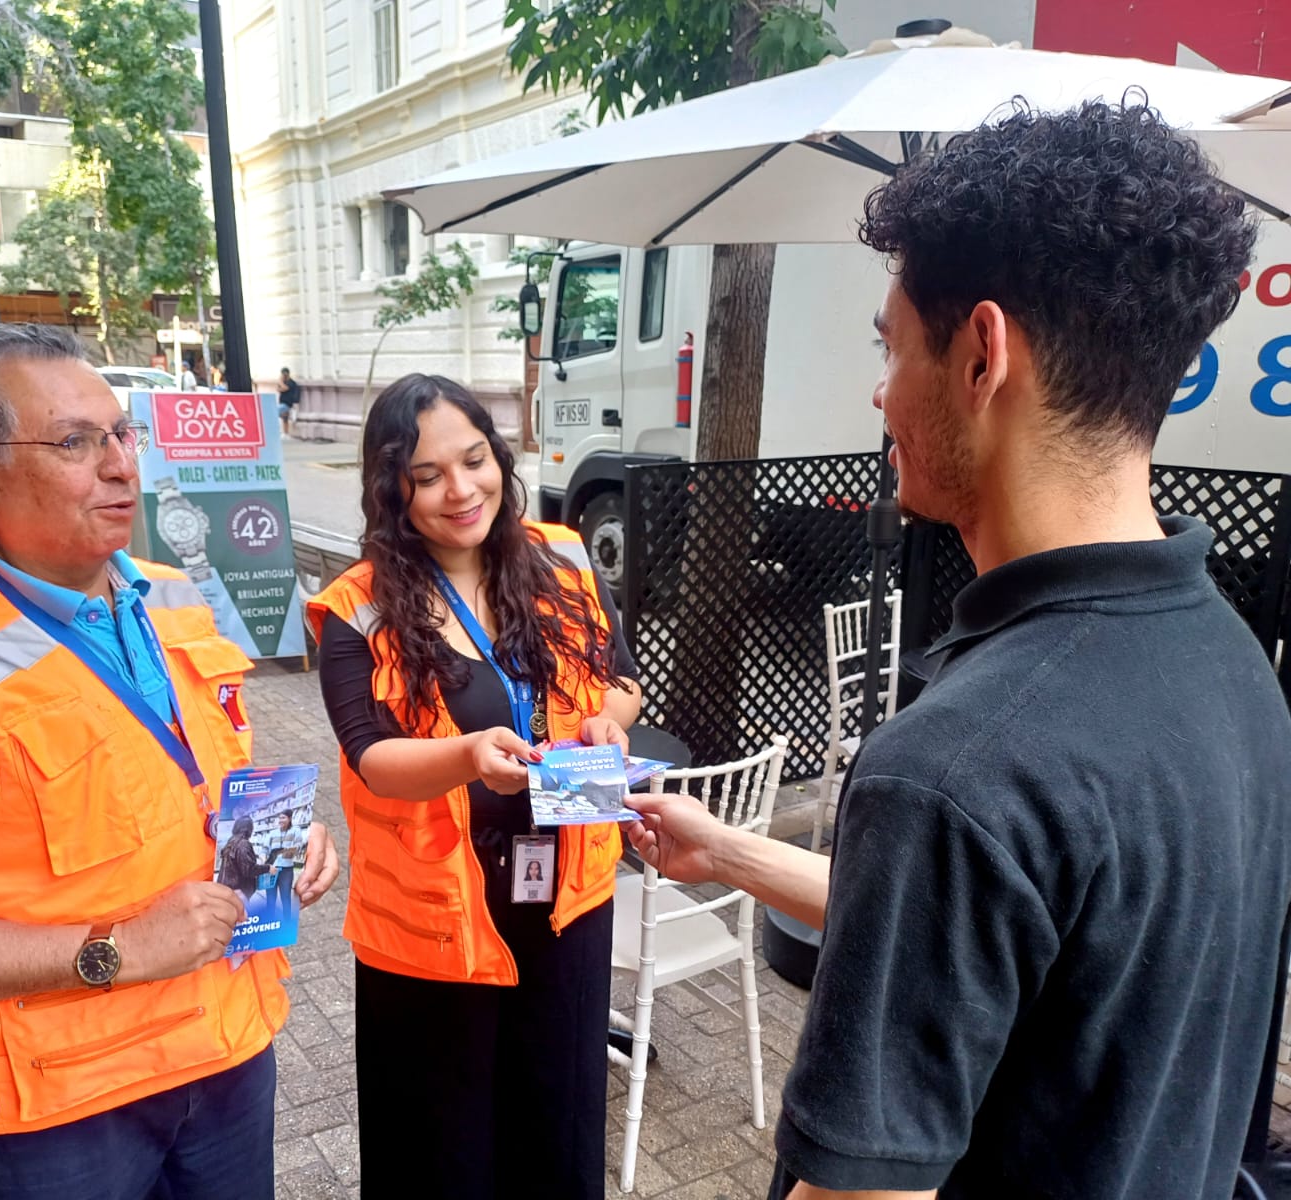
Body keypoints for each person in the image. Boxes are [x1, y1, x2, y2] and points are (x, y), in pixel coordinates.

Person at [625, 100, 1291, 1200]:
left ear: (982, 355)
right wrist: (729, 853)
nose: (879, 392)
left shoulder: (956, 768)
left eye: (890, 347)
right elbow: (1010, 934)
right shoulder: (1230, 665)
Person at [0, 322, 341, 1200]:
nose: (120, 467)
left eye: (121, 434)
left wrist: (288, 842)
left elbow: (187, 779)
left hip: (224, 1048)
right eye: (75, 442)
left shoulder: (171, 594)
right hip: (63, 1110)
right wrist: (114, 951)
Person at [307, 373, 641, 1200]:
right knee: (442, 1145)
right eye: (426, 476)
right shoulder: (360, 606)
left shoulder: (559, 557)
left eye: (474, 459)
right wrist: (465, 754)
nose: (461, 490)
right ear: (392, 489)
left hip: (565, 898)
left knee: (556, 1128)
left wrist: (606, 722)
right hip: (433, 921)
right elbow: (368, 756)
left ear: (500, 457)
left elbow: (624, 681)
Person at [216, 816, 268, 912]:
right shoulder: (243, 844)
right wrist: (268, 868)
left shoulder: (232, 840)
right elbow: (249, 870)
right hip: (239, 890)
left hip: (227, 888)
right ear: (249, 829)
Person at [266, 810, 306, 921]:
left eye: (283, 818)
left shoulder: (295, 831)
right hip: (271, 868)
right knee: (270, 897)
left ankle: (287, 921)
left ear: (289, 819)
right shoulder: (273, 833)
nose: (280, 820)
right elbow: (265, 848)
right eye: (279, 818)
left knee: (286, 897)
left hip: (286, 870)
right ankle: (269, 921)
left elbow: (299, 844)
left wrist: (287, 851)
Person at [276, 367, 300, 437]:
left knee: (275, 412)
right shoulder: (284, 382)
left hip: (287, 403)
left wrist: (280, 382)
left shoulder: (291, 382)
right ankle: (285, 433)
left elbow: (285, 388)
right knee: (284, 418)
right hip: (282, 402)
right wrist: (281, 384)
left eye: (285, 374)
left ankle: (282, 432)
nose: (284, 376)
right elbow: (278, 389)